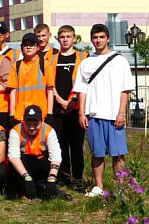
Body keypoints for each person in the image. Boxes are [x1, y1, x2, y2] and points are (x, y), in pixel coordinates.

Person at [74, 23, 135, 198]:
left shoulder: (120, 61)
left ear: (108, 38)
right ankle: (98, 186)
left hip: (114, 114)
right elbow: (82, 90)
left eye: (101, 37)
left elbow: (125, 89)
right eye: (95, 37)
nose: (98, 40)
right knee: (97, 153)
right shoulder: (86, 63)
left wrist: (121, 112)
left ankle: (121, 188)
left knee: (118, 154)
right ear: (91, 40)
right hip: (94, 114)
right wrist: (82, 112)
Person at [50, 25, 88, 189]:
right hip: (58, 109)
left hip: (76, 108)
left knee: (77, 146)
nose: (65, 39)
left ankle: (77, 178)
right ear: (58, 39)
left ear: (74, 38)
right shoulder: (52, 59)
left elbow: (85, 83)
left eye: (68, 36)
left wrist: (72, 102)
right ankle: (64, 176)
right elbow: (49, 84)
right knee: (60, 145)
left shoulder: (83, 57)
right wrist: (60, 100)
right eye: (62, 36)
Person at [7, 105, 71, 200]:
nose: (32, 128)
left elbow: (56, 156)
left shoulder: (49, 131)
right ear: (23, 121)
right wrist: (26, 177)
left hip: (42, 165)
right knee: (13, 163)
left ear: (42, 121)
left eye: (35, 124)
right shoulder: (15, 131)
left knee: (56, 162)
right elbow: (13, 156)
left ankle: (48, 186)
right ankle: (19, 188)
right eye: (28, 124)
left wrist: (52, 177)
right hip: (25, 167)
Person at [8, 33, 55, 130]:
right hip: (21, 116)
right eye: (25, 44)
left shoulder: (45, 64)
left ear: (37, 47)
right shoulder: (16, 66)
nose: (28, 47)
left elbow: (50, 90)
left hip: (40, 116)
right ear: (21, 48)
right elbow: (13, 92)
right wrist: (11, 114)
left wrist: (50, 113)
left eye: (31, 44)